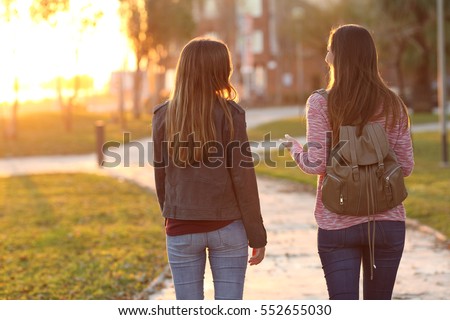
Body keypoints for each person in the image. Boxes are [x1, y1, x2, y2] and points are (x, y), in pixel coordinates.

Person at [282, 24, 414, 299]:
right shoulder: (393, 104)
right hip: (386, 222)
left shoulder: (320, 103)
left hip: (337, 222)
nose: (326, 57)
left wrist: (295, 150)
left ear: (337, 58)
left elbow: (317, 164)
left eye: (329, 51)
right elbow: (406, 166)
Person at [152, 37, 267, 300]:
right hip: (227, 228)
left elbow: (161, 178)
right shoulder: (231, 114)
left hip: (181, 228)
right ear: (220, 71)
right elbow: (243, 178)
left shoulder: (163, 115)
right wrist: (256, 235)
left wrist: (172, 216)